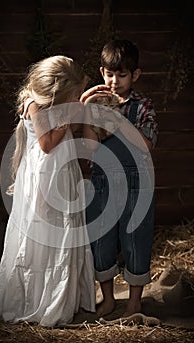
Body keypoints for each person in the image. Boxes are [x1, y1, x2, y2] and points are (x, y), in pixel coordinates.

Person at [0, 55, 96, 327]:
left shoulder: (57, 105)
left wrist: (79, 108)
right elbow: (47, 144)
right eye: (73, 96)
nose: (75, 100)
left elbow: (68, 131)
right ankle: (38, 301)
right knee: (45, 232)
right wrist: (70, 117)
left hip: (62, 172)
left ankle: (62, 297)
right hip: (45, 175)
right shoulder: (35, 106)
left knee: (64, 229)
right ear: (58, 94)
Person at [80, 39, 158, 318]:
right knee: (101, 241)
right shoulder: (96, 106)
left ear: (135, 75)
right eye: (110, 74)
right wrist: (91, 117)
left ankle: (135, 301)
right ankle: (109, 298)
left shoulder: (143, 106)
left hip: (137, 185)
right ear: (102, 72)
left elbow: (145, 146)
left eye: (122, 75)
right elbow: (90, 151)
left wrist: (118, 122)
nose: (115, 81)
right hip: (103, 184)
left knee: (136, 240)